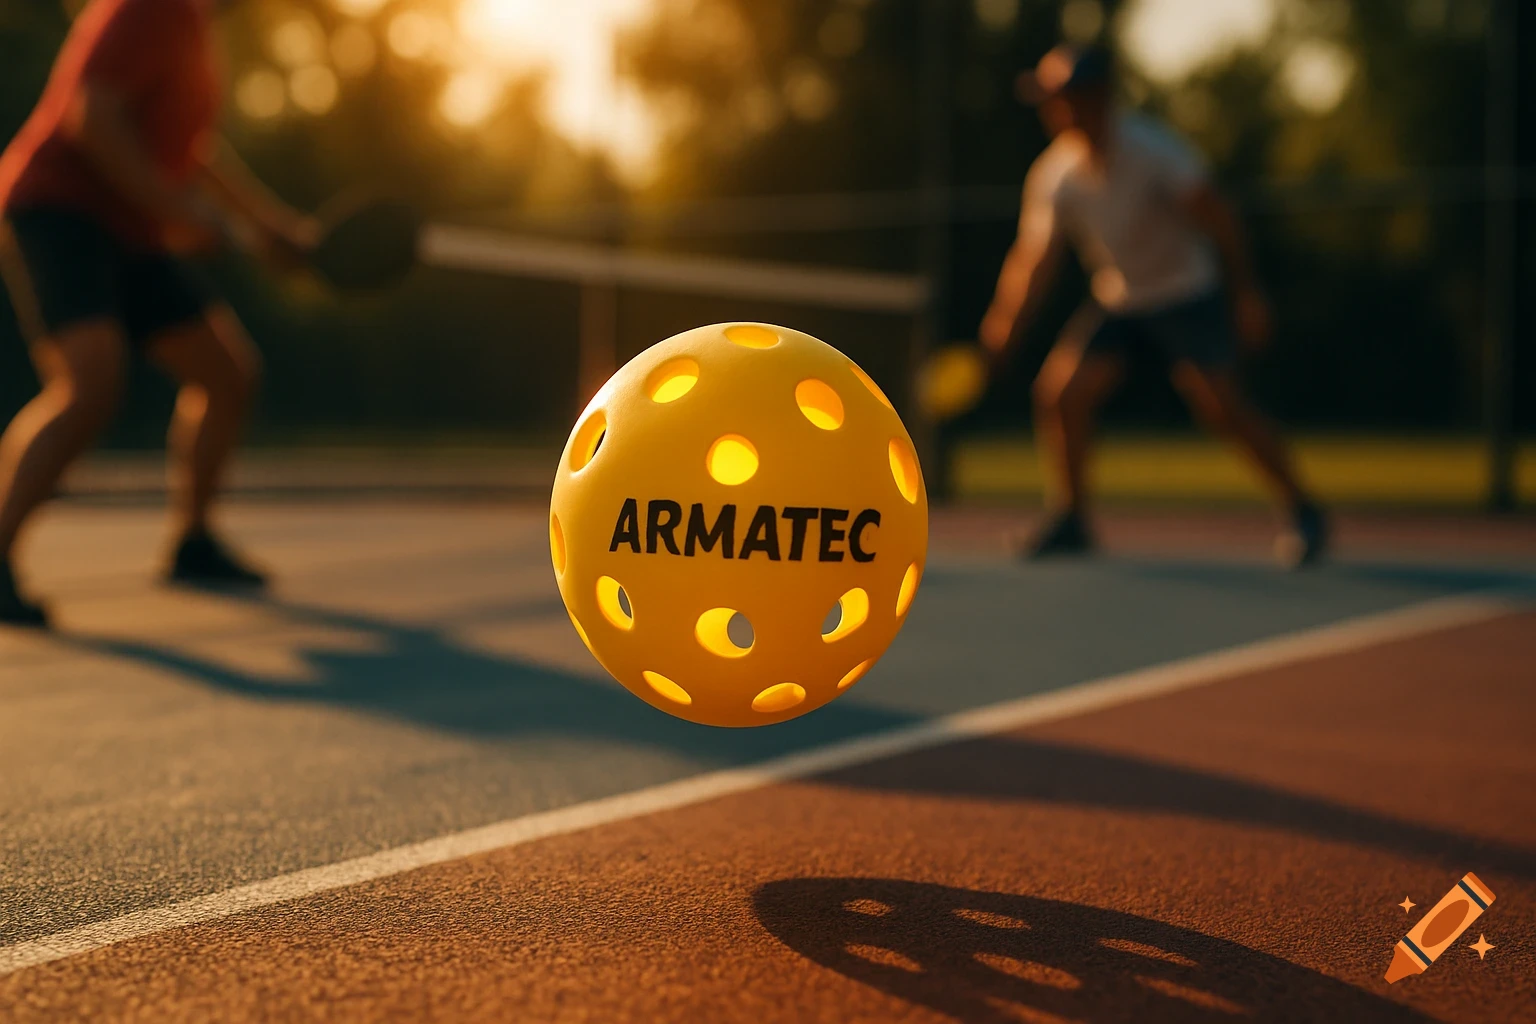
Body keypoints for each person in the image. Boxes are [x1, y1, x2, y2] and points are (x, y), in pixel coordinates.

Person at [0, 0, 316, 627]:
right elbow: (94, 118)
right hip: (59, 214)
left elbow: (193, 150)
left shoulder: (193, 28)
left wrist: (268, 224)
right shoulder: (148, 8)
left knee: (227, 375)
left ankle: (193, 542)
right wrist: (173, 209)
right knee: (90, 389)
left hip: (130, 230)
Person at [981, 44, 1327, 566]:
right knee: (1060, 395)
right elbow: (1035, 260)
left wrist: (1247, 295)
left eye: (1064, 97)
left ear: (1096, 98)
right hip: (1121, 301)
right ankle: (1072, 517)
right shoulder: (1055, 174)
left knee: (1221, 408)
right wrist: (1003, 324)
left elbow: (1221, 221)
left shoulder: (1155, 151)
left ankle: (1304, 508)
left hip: (1187, 293)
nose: (1055, 110)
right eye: (1050, 100)